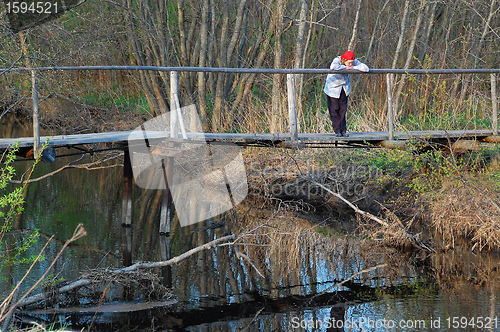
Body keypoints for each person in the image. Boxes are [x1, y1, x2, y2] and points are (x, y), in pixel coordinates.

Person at [324, 51, 369, 137]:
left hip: (344, 89)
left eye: (352, 62)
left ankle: (343, 130)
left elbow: (365, 68)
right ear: (344, 60)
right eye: (349, 62)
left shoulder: (353, 62)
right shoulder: (337, 60)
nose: (350, 64)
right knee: (334, 109)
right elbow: (333, 66)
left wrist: (354, 67)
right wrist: (344, 68)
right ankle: (337, 130)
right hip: (333, 89)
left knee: (343, 110)